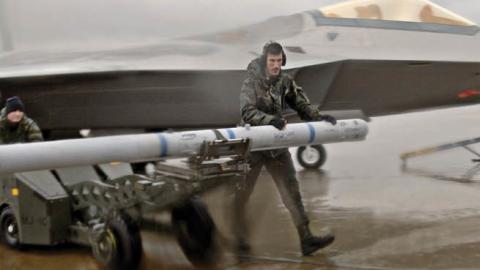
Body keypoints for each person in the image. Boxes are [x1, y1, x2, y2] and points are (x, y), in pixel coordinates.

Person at [235, 41, 336, 256]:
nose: (276, 66)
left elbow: (301, 103)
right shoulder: (250, 83)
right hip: (252, 146)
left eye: (279, 61)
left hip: (276, 147)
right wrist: (270, 120)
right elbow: (247, 111)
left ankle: (306, 239)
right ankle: (239, 239)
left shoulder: (285, 81)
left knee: (292, 193)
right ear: (265, 60)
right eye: (272, 61)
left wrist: (319, 117)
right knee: (242, 194)